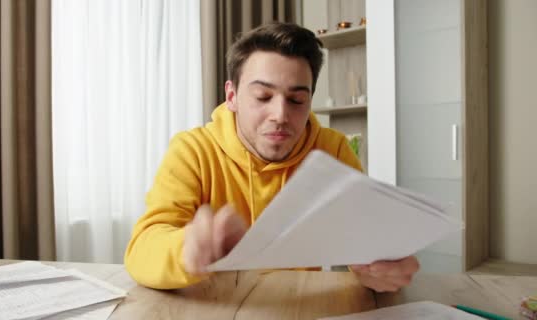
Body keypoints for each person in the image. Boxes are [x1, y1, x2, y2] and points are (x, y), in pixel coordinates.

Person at [124, 22, 419, 291]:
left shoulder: (333, 150)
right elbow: (141, 250)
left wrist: (383, 269)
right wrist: (186, 249)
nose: (280, 115)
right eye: (263, 97)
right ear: (232, 97)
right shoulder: (192, 151)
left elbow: (368, 237)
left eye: (296, 100)